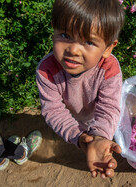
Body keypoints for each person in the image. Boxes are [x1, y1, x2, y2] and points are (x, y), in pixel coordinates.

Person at [36, 0, 125, 179]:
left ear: (108, 48)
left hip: (99, 117)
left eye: (88, 41)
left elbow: (109, 107)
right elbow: (53, 110)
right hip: (74, 118)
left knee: (101, 127)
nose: (74, 50)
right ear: (53, 32)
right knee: (83, 130)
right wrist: (78, 136)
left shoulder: (109, 68)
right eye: (65, 35)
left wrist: (99, 136)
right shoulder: (46, 70)